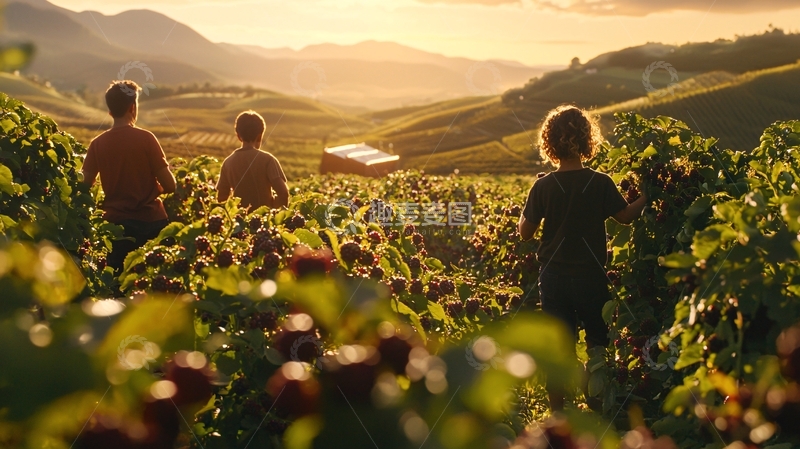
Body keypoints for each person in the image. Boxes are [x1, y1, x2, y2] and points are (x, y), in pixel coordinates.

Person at [517, 105, 646, 411]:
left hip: (554, 277)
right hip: (591, 276)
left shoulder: (543, 185)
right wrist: (648, 196)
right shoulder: (599, 182)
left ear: (549, 143)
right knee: (597, 344)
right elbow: (626, 217)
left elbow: (525, 232)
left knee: (559, 348)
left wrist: (530, 206)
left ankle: (559, 414)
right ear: (588, 140)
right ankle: (598, 405)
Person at [82, 81, 176, 274]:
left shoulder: (97, 144)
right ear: (133, 107)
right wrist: (156, 189)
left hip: (117, 226)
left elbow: (84, 186)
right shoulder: (146, 138)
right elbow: (170, 185)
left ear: (110, 110)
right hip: (152, 223)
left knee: (118, 285)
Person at [216, 111, 289, 210]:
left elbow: (221, 198)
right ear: (259, 136)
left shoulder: (228, 162)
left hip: (240, 220)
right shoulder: (268, 160)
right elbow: (283, 193)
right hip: (265, 221)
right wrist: (273, 208)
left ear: (238, 136)